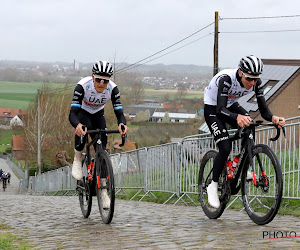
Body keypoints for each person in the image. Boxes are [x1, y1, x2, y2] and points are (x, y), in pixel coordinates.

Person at [203, 55, 286, 209]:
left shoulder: (256, 82)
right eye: (249, 79)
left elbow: (263, 109)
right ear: (240, 73)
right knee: (225, 146)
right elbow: (220, 110)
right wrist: (237, 117)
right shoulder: (226, 79)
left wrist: (273, 118)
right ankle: (213, 185)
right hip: (213, 108)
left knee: (250, 124)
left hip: (229, 104)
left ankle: (238, 165)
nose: (252, 83)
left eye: (256, 79)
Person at [69, 60, 128, 207]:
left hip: (98, 114)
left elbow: (119, 113)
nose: (101, 83)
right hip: (82, 112)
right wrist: (77, 125)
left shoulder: (113, 89)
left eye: (105, 81)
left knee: (102, 145)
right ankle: (77, 158)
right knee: (84, 130)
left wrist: (122, 124)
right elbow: (72, 113)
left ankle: (103, 192)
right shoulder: (82, 86)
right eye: (98, 79)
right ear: (92, 76)